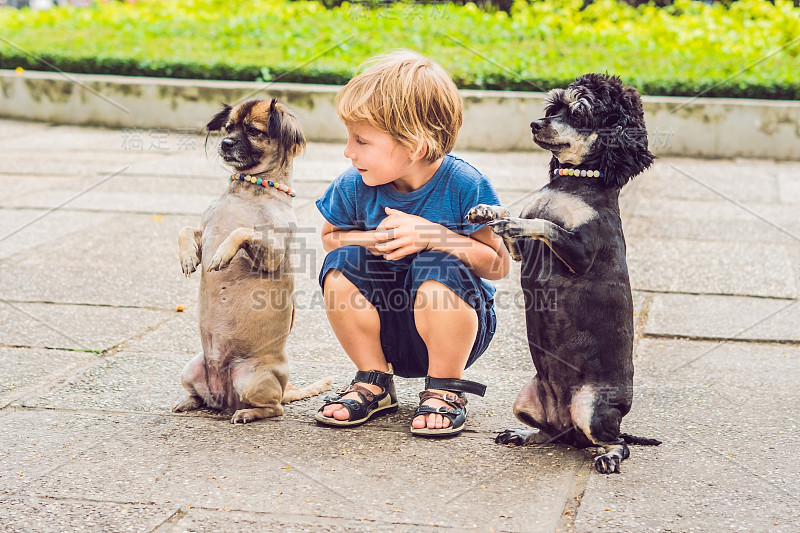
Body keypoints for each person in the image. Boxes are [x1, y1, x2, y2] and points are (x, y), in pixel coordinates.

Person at [314, 50, 510, 437]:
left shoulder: (465, 185)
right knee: (342, 262)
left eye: (361, 140)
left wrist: (434, 236)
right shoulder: (353, 184)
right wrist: (374, 238)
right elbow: (329, 238)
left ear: (415, 147)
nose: (348, 151)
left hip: (451, 331)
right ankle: (374, 380)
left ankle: (444, 388)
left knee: (437, 265)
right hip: (385, 325)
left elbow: (498, 264)